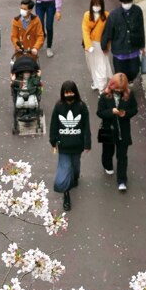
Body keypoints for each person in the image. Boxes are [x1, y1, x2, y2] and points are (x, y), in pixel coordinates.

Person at [49, 80, 91, 212]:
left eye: (71, 92)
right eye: (67, 92)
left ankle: (75, 177)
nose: (69, 95)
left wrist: (87, 143)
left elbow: (86, 126)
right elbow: (54, 125)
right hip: (64, 147)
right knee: (65, 169)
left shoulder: (81, 106)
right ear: (63, 93)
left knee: (75, 165)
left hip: (77, 146)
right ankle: (66, 195)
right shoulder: (58, 107)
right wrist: (53, 142)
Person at [97, 72, 138, 190]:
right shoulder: (104, 96)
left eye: (121, 88)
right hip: (108, 129)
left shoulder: (129, 94)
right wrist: (111, 112)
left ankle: (122, 180)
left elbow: (134, 109)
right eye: (117, 88)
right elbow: (99, 112)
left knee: (122, 156)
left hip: (123, 131)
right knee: (107, 152)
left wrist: (126, 113)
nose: (119, 90)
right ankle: (107, 165)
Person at [100, 0, 145, 82]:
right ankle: (120, 88)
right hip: (119, 48)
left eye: (128, 2)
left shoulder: (137, 11)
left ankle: (129, 80)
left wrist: (142, 45)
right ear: (121, 2)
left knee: (135, 70)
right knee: (119, 72)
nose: (127, 4)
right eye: (124, 2)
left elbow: (141, 28)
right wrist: (104, 46)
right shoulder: (114, 15)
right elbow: (108, 31)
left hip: (133, 46)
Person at [82, 0, 112, 93]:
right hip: (90, 44)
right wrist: (88, 45)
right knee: (92, 65)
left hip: (101, 44)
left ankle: (102, 87)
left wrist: (107, 46)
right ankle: (96, 82)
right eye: (94, 4)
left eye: (98, 4)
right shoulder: (87, 15)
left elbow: (109, 32)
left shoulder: (107, 15)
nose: (96, 6)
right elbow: (85, 30)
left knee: (101, 65)